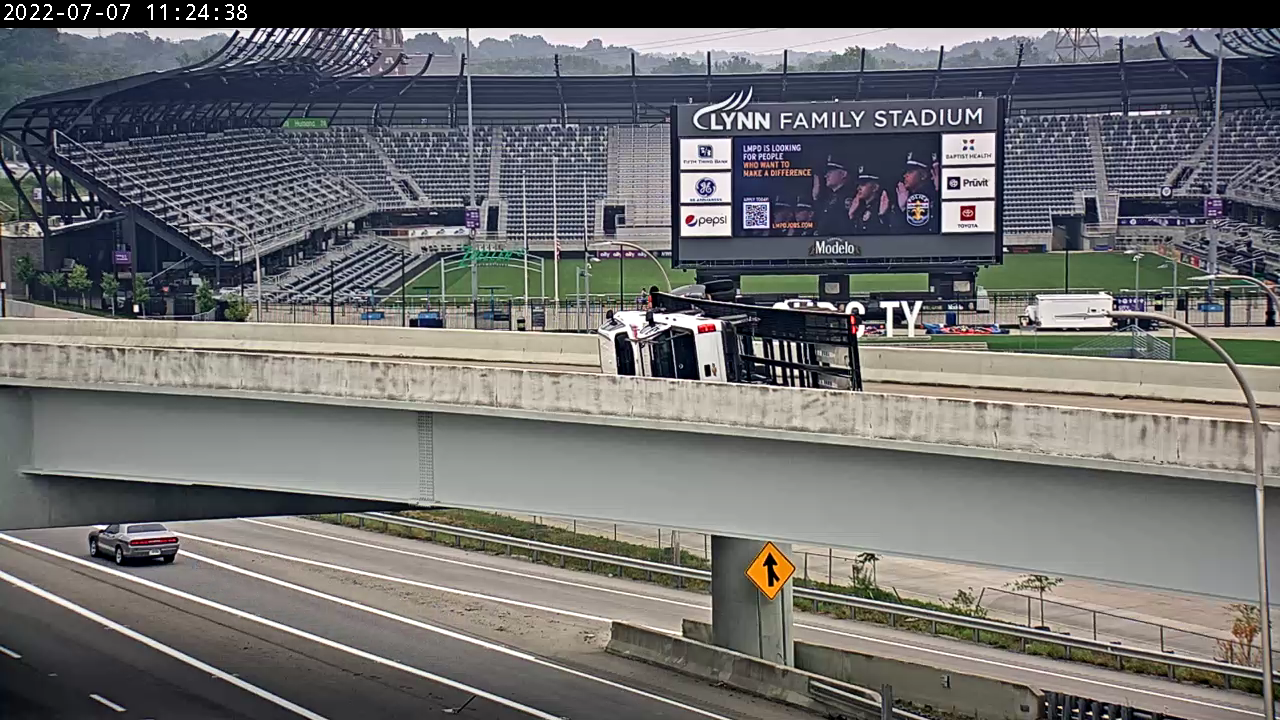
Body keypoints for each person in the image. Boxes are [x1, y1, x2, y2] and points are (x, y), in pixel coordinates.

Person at [890, 151, 939, 233]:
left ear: (923, 175)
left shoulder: (931, 196)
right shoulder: (904, 196)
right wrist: (901, 208)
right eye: (906, 172)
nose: (905, 175)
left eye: (910, 172)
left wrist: (904, 209)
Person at [812, 156, 857, 236]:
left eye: (830, 172)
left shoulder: (851, 196)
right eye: (826, 173)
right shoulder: (827, 197)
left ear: (843, 174)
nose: (826, 176)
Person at [848, 165, 893, 234]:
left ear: (875, 187)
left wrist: (881, 216)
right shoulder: (858, 208)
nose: (859, 188)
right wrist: (851, 215)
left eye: (863, 184)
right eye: (858, 184)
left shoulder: (882, 206)